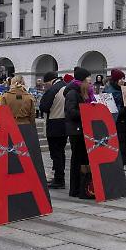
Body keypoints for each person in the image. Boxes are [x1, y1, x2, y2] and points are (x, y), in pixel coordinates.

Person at [65, 67, 93, 199]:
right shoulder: (72, 93)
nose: (91, 83)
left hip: (84, 130)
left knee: (83, 160)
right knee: (77, 160)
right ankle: (75, 188)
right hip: (76, 131)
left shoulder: (84, 93)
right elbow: (71, 112)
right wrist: (87, 111)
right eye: (88, 80)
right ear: (82, 81)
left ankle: (83, 186)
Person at [38, 70, 67, 189]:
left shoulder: (53, 90)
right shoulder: (65, 86)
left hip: (54, 123)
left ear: (50, 81)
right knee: (61, 152)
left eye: (45, 84)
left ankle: (59, 180)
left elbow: (44, 107)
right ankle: (59, 177)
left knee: (56, 154)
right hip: (65, 123)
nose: (45, 86)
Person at [104, 68, 126, 165]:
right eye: (121, 79)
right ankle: (119, 164)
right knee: (118, 144)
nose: (123, 81)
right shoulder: (111, 92)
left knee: (122, 143)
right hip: (117, 122)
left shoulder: (123, 90)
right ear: (115, 80)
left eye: (124, 78)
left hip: (123, 121)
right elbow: (112, 110)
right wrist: (125, 109)